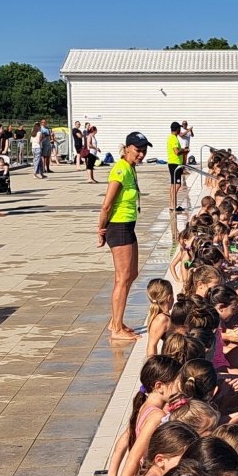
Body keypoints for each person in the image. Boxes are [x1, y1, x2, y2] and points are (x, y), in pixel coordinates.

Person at [98, 131, 150, 341]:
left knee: (132, 274)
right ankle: (116, 329)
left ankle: (115, 321)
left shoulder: (130, 168)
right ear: (127, 147)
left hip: (127, 226)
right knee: (122, 278)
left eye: (144, 151)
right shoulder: (120, 170)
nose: (141, 154)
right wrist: (101, 229)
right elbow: (106, 204)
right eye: (138, 150)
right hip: (117, 227)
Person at [167, 122, 185, 213]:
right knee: (177, 185)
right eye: (179, 128)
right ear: (177, 129)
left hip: (173, 163)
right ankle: (173, 205)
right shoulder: (173, 138)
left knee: (173, 184)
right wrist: (184, 151)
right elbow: (176, 152)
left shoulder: (172, 138)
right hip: (175, 163)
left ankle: (172, 204)